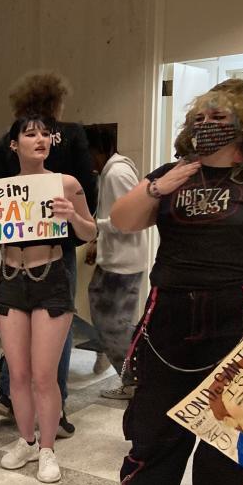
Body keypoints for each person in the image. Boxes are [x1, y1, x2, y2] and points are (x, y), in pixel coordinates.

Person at [113, 78, 243, 485]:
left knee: (232, 411)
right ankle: (148, 483)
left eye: (219, 118)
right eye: (200, 118)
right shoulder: (171, 172)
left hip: (240, 308)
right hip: (172, 305)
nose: (207, 125)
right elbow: (123, 221)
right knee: (158, 402)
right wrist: (160, 187)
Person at [0, 116, 96, 483]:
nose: (40, 139)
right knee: (18, 373)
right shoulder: (0, 190)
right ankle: (25, 439)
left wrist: (72, 215)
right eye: (30, 134)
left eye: (45, 133)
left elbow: (90, 230)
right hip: (11, 279)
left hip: (52, 279)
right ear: (14, 144)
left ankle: (47, 447)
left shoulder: (65, 183)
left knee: (45, 375)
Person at [84, 125, 146, 401]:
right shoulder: (111, 172)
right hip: (116, 259)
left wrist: (94, 226)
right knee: (111, 322)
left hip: (122, 263)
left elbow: (128, 220)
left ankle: (134, 380)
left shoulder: (117, 173)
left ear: (98, 150)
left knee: (114, 326)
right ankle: (134, 378)